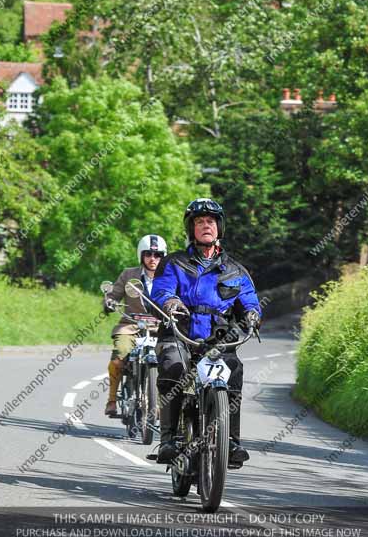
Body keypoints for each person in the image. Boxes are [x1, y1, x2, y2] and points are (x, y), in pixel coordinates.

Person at [152, 198, 261, 466]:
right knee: (174, 366)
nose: (205, 226)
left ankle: (231, 441)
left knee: (233, 368)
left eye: (210, 221)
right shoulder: (173, 263)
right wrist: (171, 303)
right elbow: (161, 290)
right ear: (191, 229)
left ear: (219, 227)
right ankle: (168, 440)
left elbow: (249, 298)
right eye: (199, 222)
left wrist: (252, 313)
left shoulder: (236, 270)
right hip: (180, 333)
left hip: (218, 338)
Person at [103, 234, 167, 417]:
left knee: (173, 362)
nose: (153, 259)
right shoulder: (128, 274)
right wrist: (109, 302)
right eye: (148, 254)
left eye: (158, 255)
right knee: (118, 359)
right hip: (130, 325)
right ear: (141, 255)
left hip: (159, 328)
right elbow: (113, 295)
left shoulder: (170, 277)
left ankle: (166, 405)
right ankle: (112, 400)